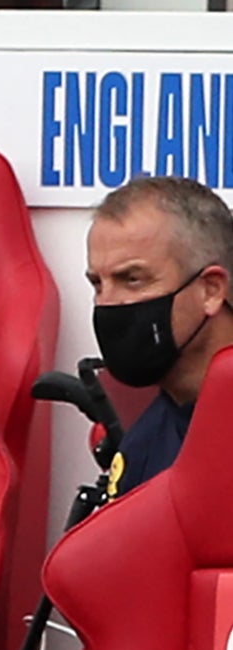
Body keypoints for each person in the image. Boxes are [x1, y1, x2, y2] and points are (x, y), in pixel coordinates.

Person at [88, 176, 233, 499]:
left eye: (133, 279)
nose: (107, 303)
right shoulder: (142, 444)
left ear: (210, 290)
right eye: (98, 284)